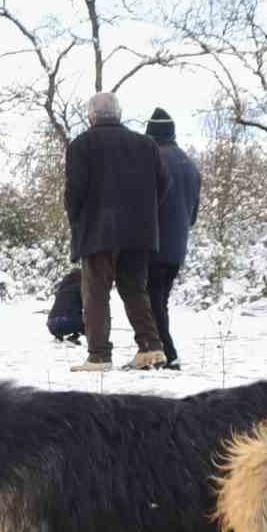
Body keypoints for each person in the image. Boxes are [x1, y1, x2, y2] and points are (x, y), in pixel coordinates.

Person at [63, 92, 169, 372]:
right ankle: (151, 348)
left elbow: (74, 193)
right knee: (135, 290)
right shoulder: (146, 145)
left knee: (96, 293)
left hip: (97, 231)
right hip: (138, 232)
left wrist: (77, 221)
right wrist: (143, 214)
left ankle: (99, 356)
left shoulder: (81, 145)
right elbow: (163, 184)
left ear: (91, 116)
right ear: (119, 115)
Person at [145, 107, 201, 370]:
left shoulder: (153, 161)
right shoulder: (189, 165)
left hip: (154, 243)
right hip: (178, 245)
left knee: (151, 302)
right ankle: (158, 352)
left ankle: (166, 353)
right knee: (160, 301)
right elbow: (193, 214)